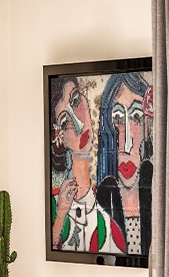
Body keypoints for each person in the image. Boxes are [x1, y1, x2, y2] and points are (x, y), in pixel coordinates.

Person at [50, 77, 125, 253]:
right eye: (64, 122)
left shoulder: (110, 230)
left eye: (76, 100)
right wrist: (60, 217)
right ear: (59, 138)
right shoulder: (52, 207)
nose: (78, 124)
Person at [97, 72, 153, 255]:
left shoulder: (161, 200)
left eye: (136, 117)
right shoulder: (102, 201)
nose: (127, 145)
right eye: (118, 119)